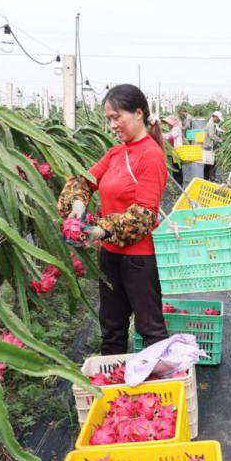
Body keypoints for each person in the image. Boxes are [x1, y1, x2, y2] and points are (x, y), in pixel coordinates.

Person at [57, 84, 169, 356]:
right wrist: (80, 200)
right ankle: (113, 385)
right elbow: (84, 180)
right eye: (109, 119)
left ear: (139, 113)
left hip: (139, 259)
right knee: (111, 327)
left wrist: (98, 230)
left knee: (150, 328)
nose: (112, 125)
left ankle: (160, 392)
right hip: (110, 254)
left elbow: (144, 214)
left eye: (116, 117)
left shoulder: (151, 155)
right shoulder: (117, 153)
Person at [201, 110, 224, 182]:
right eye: (218, 119)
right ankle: (211, 178)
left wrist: (222, 131)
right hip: (209, 146)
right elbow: (212, 135)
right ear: (215, 117)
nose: (219, 120)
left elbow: (216, 129)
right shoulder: (211, 124)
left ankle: (206, 178)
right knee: (211, 164)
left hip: (207, 146)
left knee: (208, 164)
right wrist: (220, 140)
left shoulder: (212, 123)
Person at [162, 115, 184, 187]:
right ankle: (179, 183)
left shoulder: (176, 128)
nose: (168, 124)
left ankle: (179, 184)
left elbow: (171, 136)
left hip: (177, 151)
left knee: (177, 167)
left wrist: (161, 135)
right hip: (175, 150)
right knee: (176, 166)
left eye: (169, 123)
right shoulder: (174, 128)